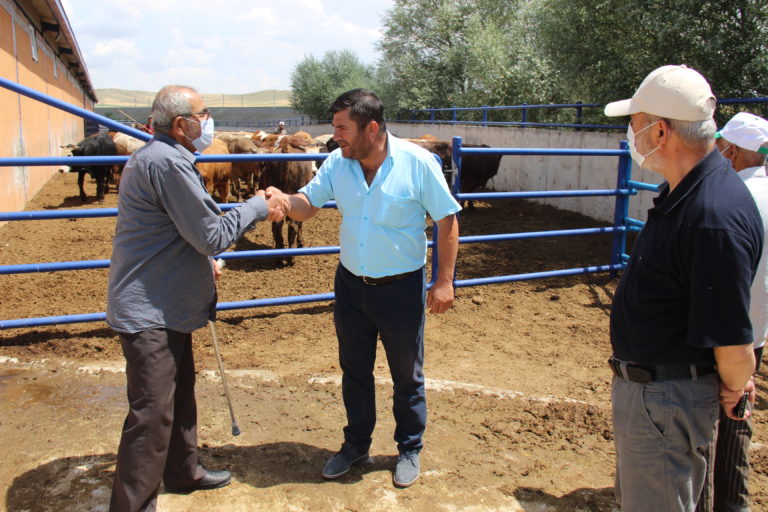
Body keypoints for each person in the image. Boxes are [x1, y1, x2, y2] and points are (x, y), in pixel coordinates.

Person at [106, 85, 289, 512]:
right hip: (150, 309)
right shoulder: (169, 163)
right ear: (181, 124)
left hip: (167, 301)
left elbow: (179, 231)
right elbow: (212, 234)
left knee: (179, 393)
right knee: (150, 416)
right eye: (203, 114)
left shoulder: (160, 158)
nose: (208, 121)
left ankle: (182, 470)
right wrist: (257, 205)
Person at [268, 88, 460, 488]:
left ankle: (409, 447)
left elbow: (447, 220)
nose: (335, 135)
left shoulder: (418, 163)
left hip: (401, 289)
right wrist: (287, 202)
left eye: (342, 127)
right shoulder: (339, 163)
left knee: (407, 374)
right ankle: (355, 444)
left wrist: (443, 281)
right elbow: (309, 203)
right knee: (355, 371)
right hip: (351, 286)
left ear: (371, 128)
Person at [604, 65, 763, 511]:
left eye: (636, 123)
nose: (631, 133)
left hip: (666, 400)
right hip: (661, 396)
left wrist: (736, 381)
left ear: (662, 131)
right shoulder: (692, 194)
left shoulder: (712, 213)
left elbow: (733, 340)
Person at [700, 112, 768, 512]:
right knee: (738, 423)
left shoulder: (730, 199)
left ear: (734, 151)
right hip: (755, 338)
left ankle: (704, 501)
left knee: (704, 421)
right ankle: (735, 503)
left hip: (721, 336)